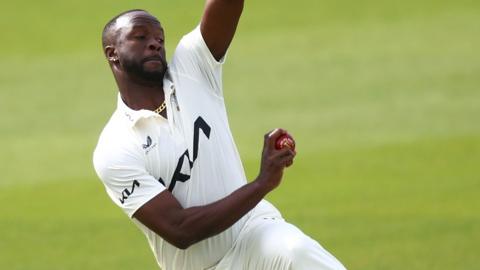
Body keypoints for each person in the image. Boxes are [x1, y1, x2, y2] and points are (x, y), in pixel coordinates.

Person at [93, 2, 346, 270]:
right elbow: (180, 230)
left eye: (159, 38)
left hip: (255, 232)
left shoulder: (193, 69)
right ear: (113, 54)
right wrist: (261, 183)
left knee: (296, 250)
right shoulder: (115, 148)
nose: (155, 43)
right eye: (141, 36)